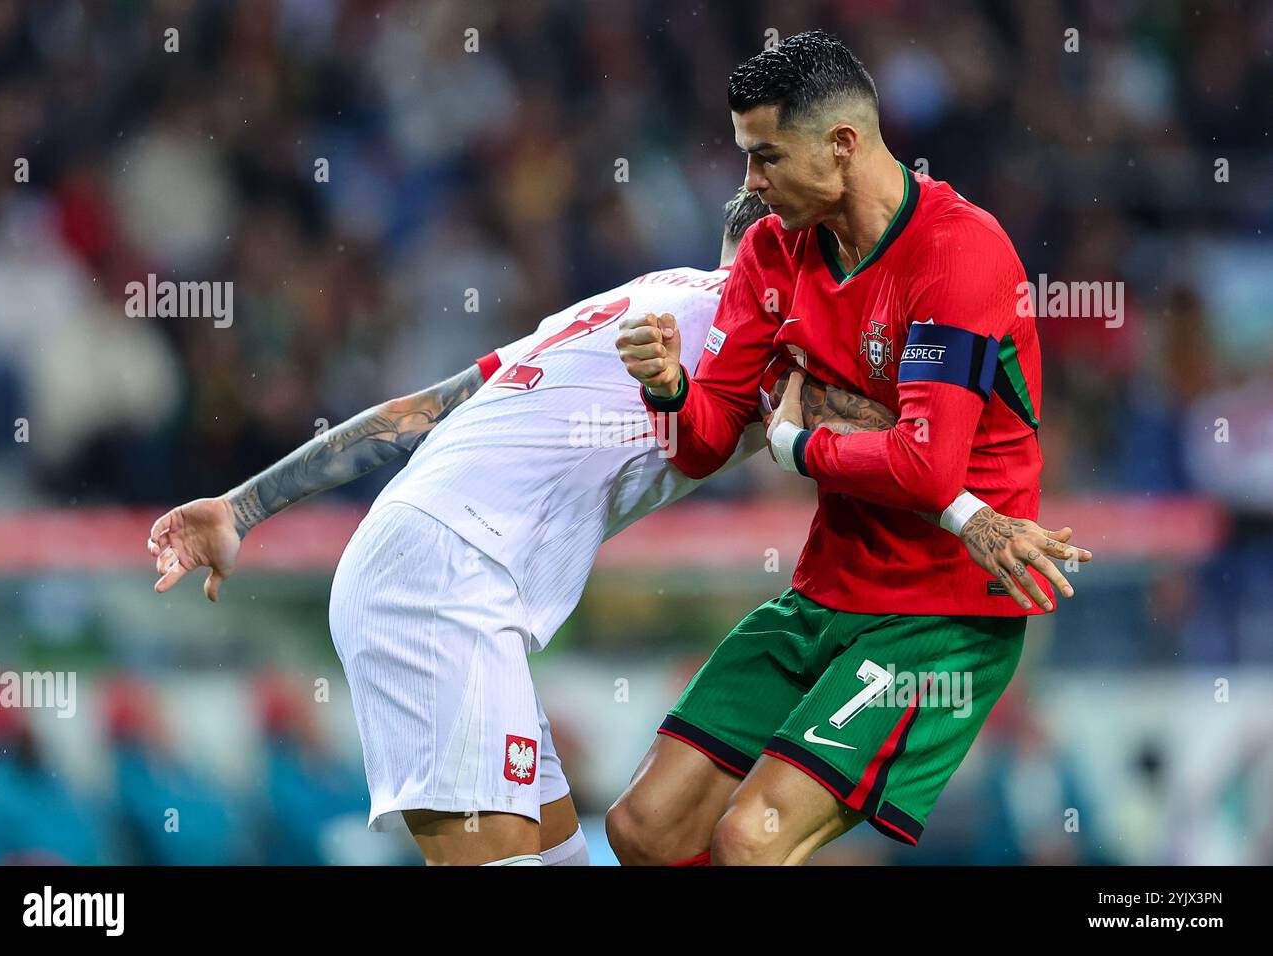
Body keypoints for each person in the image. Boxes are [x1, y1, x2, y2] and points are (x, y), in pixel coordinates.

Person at [148, 189, 1085, 865]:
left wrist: (245, 506)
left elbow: (417, 411)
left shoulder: (626, 303)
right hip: (439, 586)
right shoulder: (744, 340)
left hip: (443, 569)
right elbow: (884, 434)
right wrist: (983, 520)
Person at [611, 31, 1079, 865]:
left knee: (752, 841)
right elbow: (705, 442)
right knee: (645, 829)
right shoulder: (770, 249)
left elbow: (924, 466)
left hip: (946, 611)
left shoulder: (958, 251)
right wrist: (672, 390)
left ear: (841, 143)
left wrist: (793, 444)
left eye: (765, 158)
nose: (749, 183)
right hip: (827, 591)